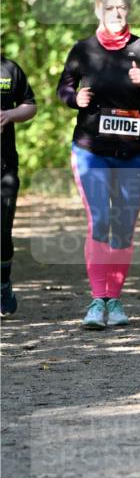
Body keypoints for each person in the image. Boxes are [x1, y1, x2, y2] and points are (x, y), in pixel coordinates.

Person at [57, 0, 140, 329]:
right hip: (91, 150)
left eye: (122, 8)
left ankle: (115, 301)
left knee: (123, 226)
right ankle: (97, 300)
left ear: (129, 11)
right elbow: (64, 86)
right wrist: (72, 99)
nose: (117, 14)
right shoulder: (84, 50)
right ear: (98, 11)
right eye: (110, 8)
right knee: (100, 221)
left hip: (132, 152)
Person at [0, 55, 37, 316]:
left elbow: (30, 105)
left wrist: (10, 114)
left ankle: (3, 284)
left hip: (4, 167)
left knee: (2, 230)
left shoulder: (9, 68)